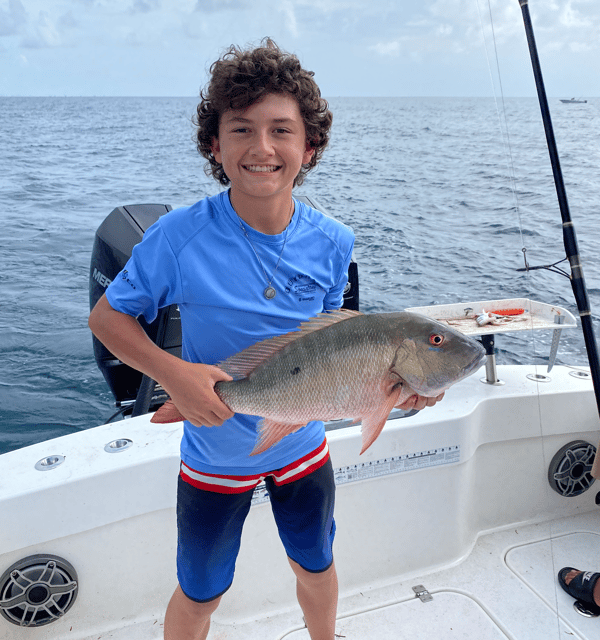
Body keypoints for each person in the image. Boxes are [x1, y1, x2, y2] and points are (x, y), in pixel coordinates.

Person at [89, 38, 441, 640]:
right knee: (201, 590)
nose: (262, 147)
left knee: (317, 564)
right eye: (241, 129)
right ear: (214, 145)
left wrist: (396, 390)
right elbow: (107, 319)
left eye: (282, 130)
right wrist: (172, 373)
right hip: (212, 455)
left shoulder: (334, 242)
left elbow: (335, 343)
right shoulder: (178, 238)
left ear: (311, 146)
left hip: (303, 449)